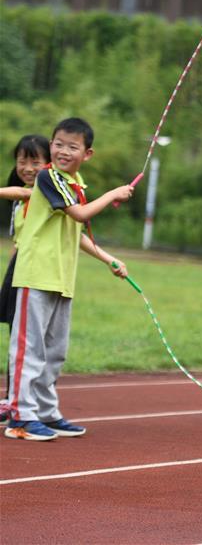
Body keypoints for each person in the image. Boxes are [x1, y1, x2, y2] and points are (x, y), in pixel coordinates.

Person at [4, 118, 134, 441]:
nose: (62, 151)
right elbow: (80, 215)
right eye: (58, 144)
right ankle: (20, 415)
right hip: (36, 275)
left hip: (62, 278)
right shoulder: (49, 177)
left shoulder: (74, 184)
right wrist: (114, 194)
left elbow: (75, 233)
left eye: (72, 146)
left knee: (55, 350)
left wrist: (109, 260)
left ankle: (46, 411)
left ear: (87, 153)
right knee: (29, 349)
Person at [0, 135, 52, 426]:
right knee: (15, 334)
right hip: (19, 266)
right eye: (22, 161)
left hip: (37, 270)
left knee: (28, 339)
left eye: (35, 161)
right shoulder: (19, 196)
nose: (28, 167)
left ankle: (20, 400)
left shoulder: (43, 192)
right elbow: (17, 240)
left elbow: (25, 194)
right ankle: (11, 399)